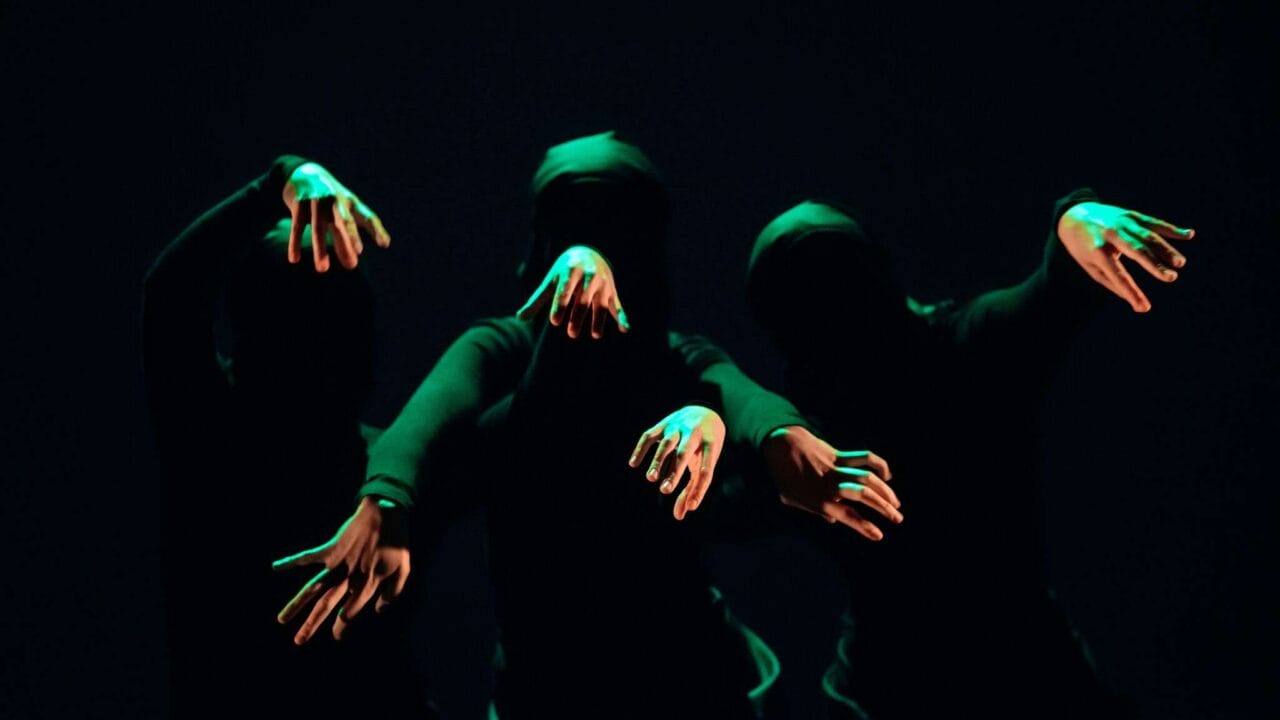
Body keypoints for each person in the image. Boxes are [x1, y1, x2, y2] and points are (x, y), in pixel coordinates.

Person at [273, 132, 902, 718]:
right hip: (548, 691)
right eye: (576, 224)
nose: (600, 246)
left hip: (695, 686)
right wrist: (388, 495)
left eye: (616, 225)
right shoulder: (505, 353)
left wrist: (775, 437)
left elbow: (737, 399)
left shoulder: (673, 358)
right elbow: (441, 413)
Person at [743, 192, 1193, 718]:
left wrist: (1073, 225)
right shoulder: (803, 434)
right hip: (954, 680)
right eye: (813, 302)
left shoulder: (965, 349)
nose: (839, 319)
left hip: (1009, 677)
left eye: (843, 290)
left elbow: (1045, 300)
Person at [142, 155, 434, 718]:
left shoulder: (391, 474)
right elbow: (172, 293)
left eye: (340, 314)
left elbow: (172, 293)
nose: (324, 342)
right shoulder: (209, 434)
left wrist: (279, 183)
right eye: (301, 313)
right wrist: (279, 182)